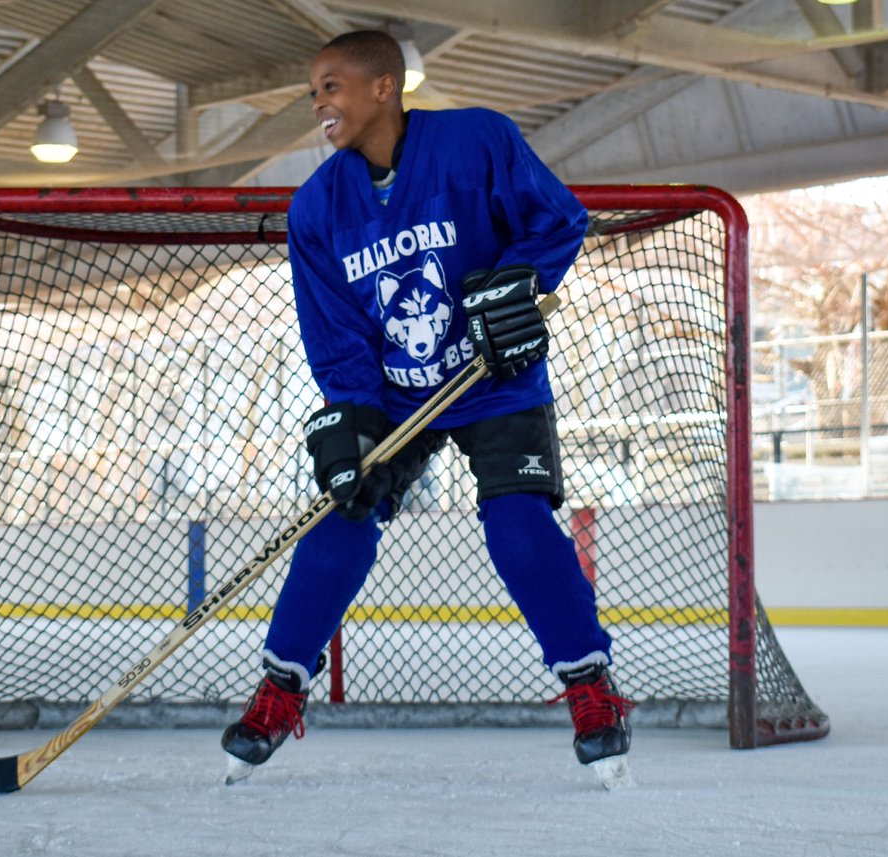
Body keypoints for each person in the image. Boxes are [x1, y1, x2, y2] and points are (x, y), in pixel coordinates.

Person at [221, 30, 634, 786]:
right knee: (339, 518)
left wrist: (517, 282)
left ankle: (589, 685)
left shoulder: (476, 140)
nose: (318, 103)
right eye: (313, 91)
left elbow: (556, 220)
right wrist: (350, 416)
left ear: (385, 86)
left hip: (493, 377)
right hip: (392, 394)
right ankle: (281, 687)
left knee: (517, 526)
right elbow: (334, 328)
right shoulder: (315, 207)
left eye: (331, 86)